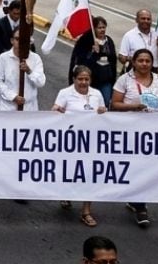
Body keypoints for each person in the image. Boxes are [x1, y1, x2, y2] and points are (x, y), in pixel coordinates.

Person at [110, 48, 158, 228]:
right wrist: (133, 106)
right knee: (137, 166)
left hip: (154, 132)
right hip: (131, 131)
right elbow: (114, 104)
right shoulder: (124, 80)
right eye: (141, 61)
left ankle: (135, 198)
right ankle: (140, 206)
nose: (144, 64)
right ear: (134, 62)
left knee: (148, 166)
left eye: (147, 61)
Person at [53, 65, 107, 228]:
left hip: (91, 143)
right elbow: (54, 112)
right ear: (74, 79)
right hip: (70, 143)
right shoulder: (65, 93)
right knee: (71, 172)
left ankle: (86, 211)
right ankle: (67, 193)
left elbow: (104, 115)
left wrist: (103, 112)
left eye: (86, 79)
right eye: (80, 79)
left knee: (90, 175)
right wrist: (58, 111)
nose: (83, 82)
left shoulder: (96, 94)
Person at [0, 29, 46, 111]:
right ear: (12, 40)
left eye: (24, 39)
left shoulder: (36, 58)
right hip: (7, 107)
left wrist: (29, 71)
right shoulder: (4, 58)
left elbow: (41, 82)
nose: (21, 42)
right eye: (17, 39)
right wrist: (13, 97)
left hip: (29, 108)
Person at [68, 17, 117, 105]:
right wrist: (93, 53)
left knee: (105, 102)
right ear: (94, 28)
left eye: (103, 27)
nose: (102, 30)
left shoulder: (108, 41)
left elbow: (113, 59)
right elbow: (81, 60)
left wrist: (101, 50)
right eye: (99, 28)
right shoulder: (86, 41)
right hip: (89, 80)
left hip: (105, 80)